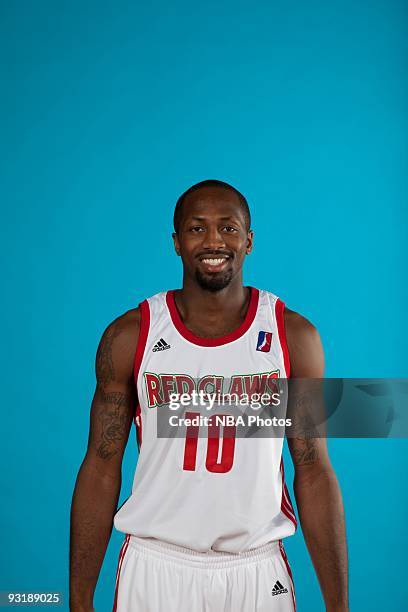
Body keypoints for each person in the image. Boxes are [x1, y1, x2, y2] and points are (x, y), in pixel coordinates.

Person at [69, 180, 348, 612]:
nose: (214, 240)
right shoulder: (131, 336)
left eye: (228, 228)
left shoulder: (292, 337)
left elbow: (312, 471)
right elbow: (102, 466)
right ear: (176, 242)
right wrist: (79, 598)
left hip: (256, 567)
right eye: (197, 229)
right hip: (155, 563)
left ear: (249, 241)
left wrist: (338, 605)